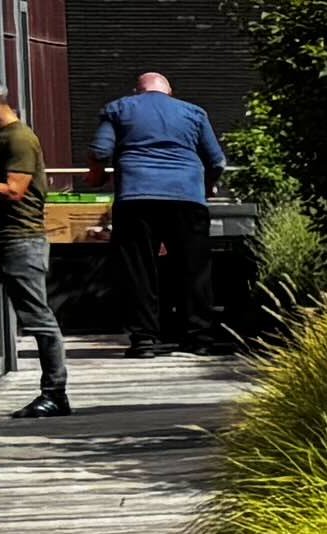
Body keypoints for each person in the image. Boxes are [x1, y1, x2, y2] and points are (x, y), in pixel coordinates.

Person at [86, 70, 231, 356]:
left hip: (136, 198)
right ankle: (199, 338)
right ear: (170, 91)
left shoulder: (118, 108)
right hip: (186, 198)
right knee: (194, 269)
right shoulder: (194, 113)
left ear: (137, 91)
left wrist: (98, 177)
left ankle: (144, 341)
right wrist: (207, 185)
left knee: (139, 270)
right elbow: (217, 160)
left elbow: (100, 150)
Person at [0, 71, 71, 418]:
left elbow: (14, 191)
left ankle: (55, 394)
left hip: (20, 241)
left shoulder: (19, 139)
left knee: (37, 318)